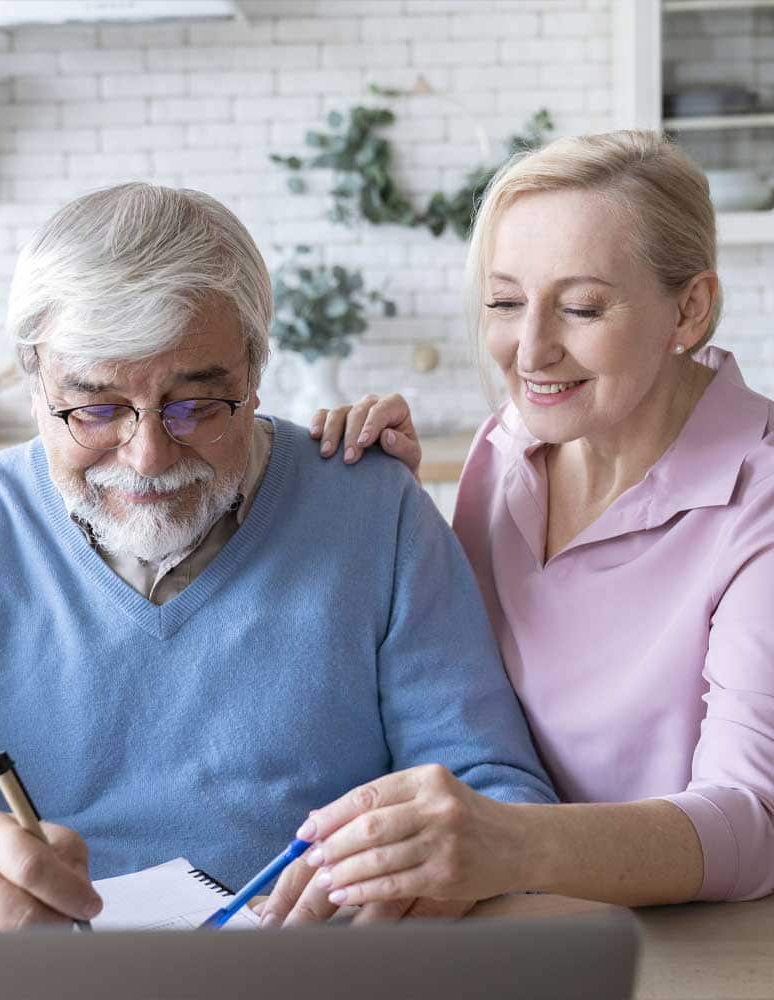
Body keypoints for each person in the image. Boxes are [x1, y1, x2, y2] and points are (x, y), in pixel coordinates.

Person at [0, 183, 555, 934]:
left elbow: (499, 800)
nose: (146, 458)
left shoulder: (373, 513)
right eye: (96, 407)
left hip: (325, 971)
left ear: (255, 370)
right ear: (32, 381)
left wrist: (445, 866)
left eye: (196, 405)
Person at [261, 129, 774, 927]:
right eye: (504, 303)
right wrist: (391, 515)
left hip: (691, 944)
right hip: (519, 927)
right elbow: (460, 691)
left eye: (580, 307)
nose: (530, 349)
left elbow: (753, 822)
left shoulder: (758, 500)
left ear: (691, 307)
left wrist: (510, 845)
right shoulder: (505, 449)